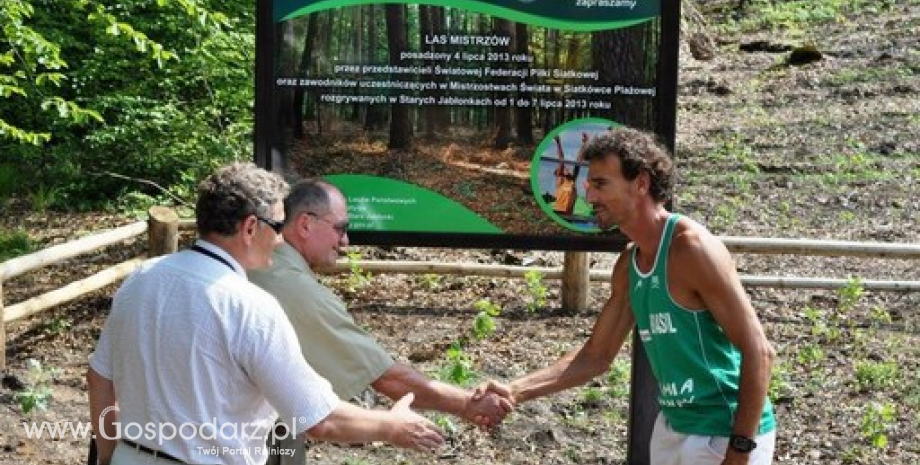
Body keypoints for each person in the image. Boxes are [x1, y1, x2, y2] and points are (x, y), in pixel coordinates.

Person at [87, 162, 443, 465]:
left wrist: (108, 456)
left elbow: (100, 377)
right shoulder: (250, 306)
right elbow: (318, 419)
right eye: (276, 226)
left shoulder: (142, 278)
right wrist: (391, 426)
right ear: (251, 228)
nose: (279, 240)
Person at [477, 127, 776, 465]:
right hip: (673, 428)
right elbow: (597, 355)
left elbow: (759, 352)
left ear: (641, 183)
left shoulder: (691, 249)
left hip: (723, 433)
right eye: (589, 185)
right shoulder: (629, 264)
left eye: (601, 184)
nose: (589, 197)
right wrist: (516, 390)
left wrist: (739, 451)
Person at [249, 179, 512, 465]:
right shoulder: (297, 290)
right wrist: (465, 404)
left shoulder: (256, 262)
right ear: (305, 225)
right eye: (340, 228)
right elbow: (386, 378)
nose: (345, 241)